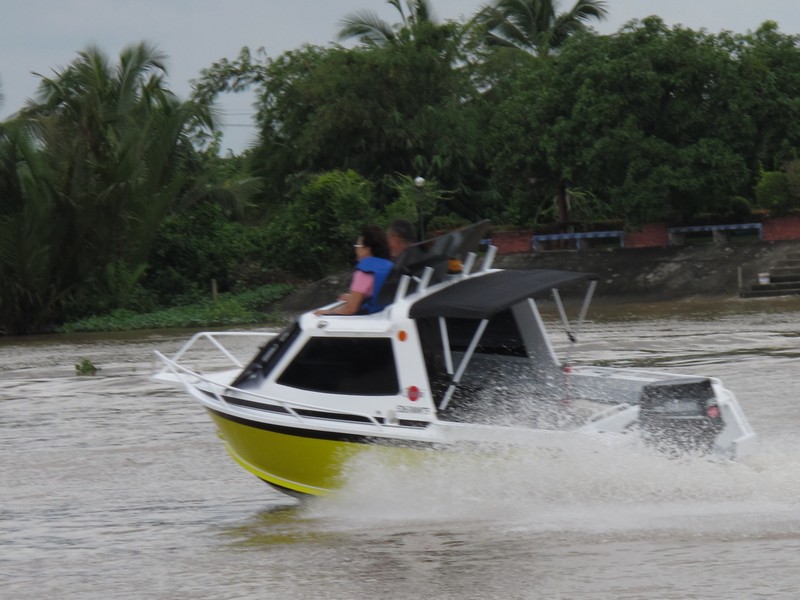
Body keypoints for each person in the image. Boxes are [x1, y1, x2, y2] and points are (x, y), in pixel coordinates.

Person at [315, 225, 394, 316]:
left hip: (367, 317)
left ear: (367, 250)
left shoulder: (364, 271)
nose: (356, 249)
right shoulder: (389, 266)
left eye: (357, 246)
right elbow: (374, 294)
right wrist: (352, 298)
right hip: (382, 314)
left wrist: (328, 312)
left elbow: (351, 309)